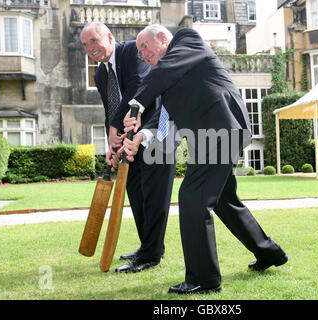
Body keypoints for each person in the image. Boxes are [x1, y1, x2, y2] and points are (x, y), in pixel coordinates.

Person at [114, 24, 288, 294]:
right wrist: (141, 138)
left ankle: (203, 279)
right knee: (224, 201)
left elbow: (161, 73)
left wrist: (135, 105)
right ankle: (270, 253)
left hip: (222, 130)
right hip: (211, 137)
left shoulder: (187, 40)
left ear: (162, 38)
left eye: (145, 47)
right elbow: (165, 124)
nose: (143, 56)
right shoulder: (168, 76)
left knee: (193, 197)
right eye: (139, 53)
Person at [80, 22, 176, 273]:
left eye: (94, 41)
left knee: (154, 196)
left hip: (156, 132)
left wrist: (115, 127)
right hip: (128, 139)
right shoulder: (100, 74)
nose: (90, 48)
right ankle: (149, 246)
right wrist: (111, 145)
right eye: (85, 45)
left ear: (109, 37)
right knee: (136, 194)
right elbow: (111, 110)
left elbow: (137, 88)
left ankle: (150, 255)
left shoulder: (133, 51)